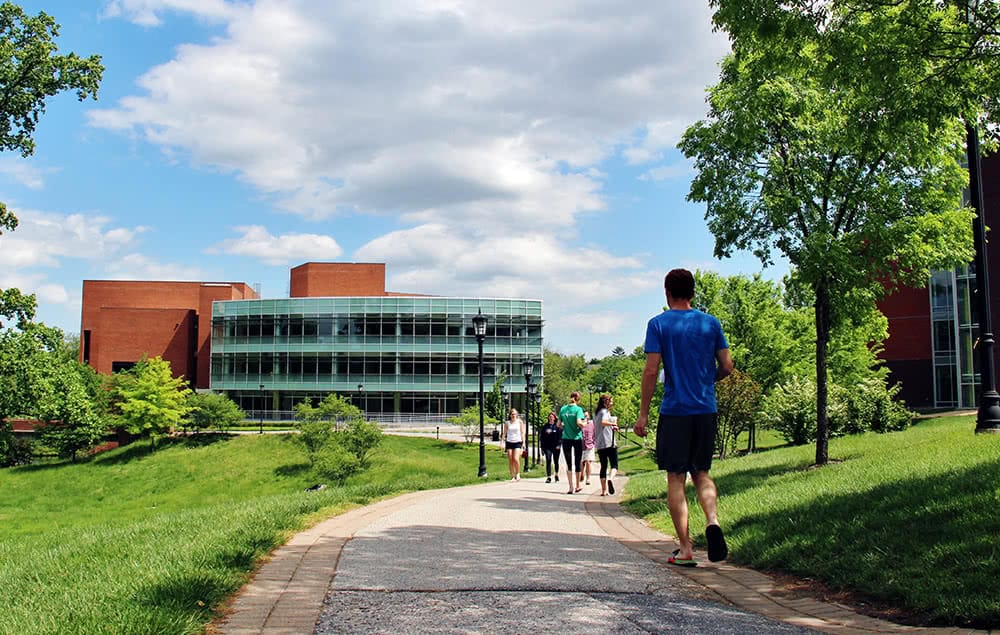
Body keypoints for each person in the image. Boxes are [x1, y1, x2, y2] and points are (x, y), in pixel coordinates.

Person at [635, 268, 734, 566]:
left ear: (667, 292)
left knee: (676, 478)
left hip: (675, 411)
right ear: (693, 292)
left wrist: (642, 414)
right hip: (706, 409)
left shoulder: (658, 325)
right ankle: (713, 521)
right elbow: (727, 366)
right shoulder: (711, 323)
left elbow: (652, 370)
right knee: (701, 473)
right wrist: (706, 380)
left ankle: (686, 548)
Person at [557, 392, 586, 494]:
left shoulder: (563, 409)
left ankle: (570, 487)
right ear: (578, 400)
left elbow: (558, 424)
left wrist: (566, 427)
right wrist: (584, 423)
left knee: (569, 463)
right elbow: (579, 422)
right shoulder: (578, 409)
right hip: (577, 438)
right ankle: (578, 485)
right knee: (577, 462)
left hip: (566, 438)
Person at [593, 394, 619, 496]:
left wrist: (612, 425)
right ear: (606, 402)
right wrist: (613, 424)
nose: (612, 403)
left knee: (603, 466)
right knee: (614, 465)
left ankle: (604, 491)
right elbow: (604, 422)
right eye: (611, 401)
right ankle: (610, 478)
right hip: (609, 442)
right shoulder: (604, 412)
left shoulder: (596, 413)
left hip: (599, 444)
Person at [503, 407, 527, 481]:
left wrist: (524, 443)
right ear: (510, 415)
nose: (513, 415)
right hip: (509, 442)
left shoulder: (519, 422)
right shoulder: (507, 423)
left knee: (516, 459)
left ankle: (518, 473)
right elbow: (504, 433)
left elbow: (523, 433)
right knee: (510, 460)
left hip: (517, 442)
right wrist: (502, 442)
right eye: (512, 414)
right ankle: (512, 476)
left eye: (515, 414)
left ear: (517, 415)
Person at [540, 411, 562, 483]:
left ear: (555, 418)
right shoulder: (545, 426)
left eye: (552, 417)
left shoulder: (557, 426)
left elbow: (560, 437)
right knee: (548, 460)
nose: (551, 418)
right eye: (550, 417)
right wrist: (542, 448)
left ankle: (556, 474)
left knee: (556, 461)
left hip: (556, 447)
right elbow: (542, 437)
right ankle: (548, 477)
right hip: (547, 447)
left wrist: (559, 445)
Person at [580, 411, 595, 485]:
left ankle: (588, 478)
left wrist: (594, 442)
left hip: (589, 445)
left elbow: (594, 434)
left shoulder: (592, 424)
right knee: (581, 462)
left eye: (586, 416)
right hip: (581, 446)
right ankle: (582, 473)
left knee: (588, 461)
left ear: (589, 417)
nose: (585, 417)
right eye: (584, 416)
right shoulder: (580, 424)